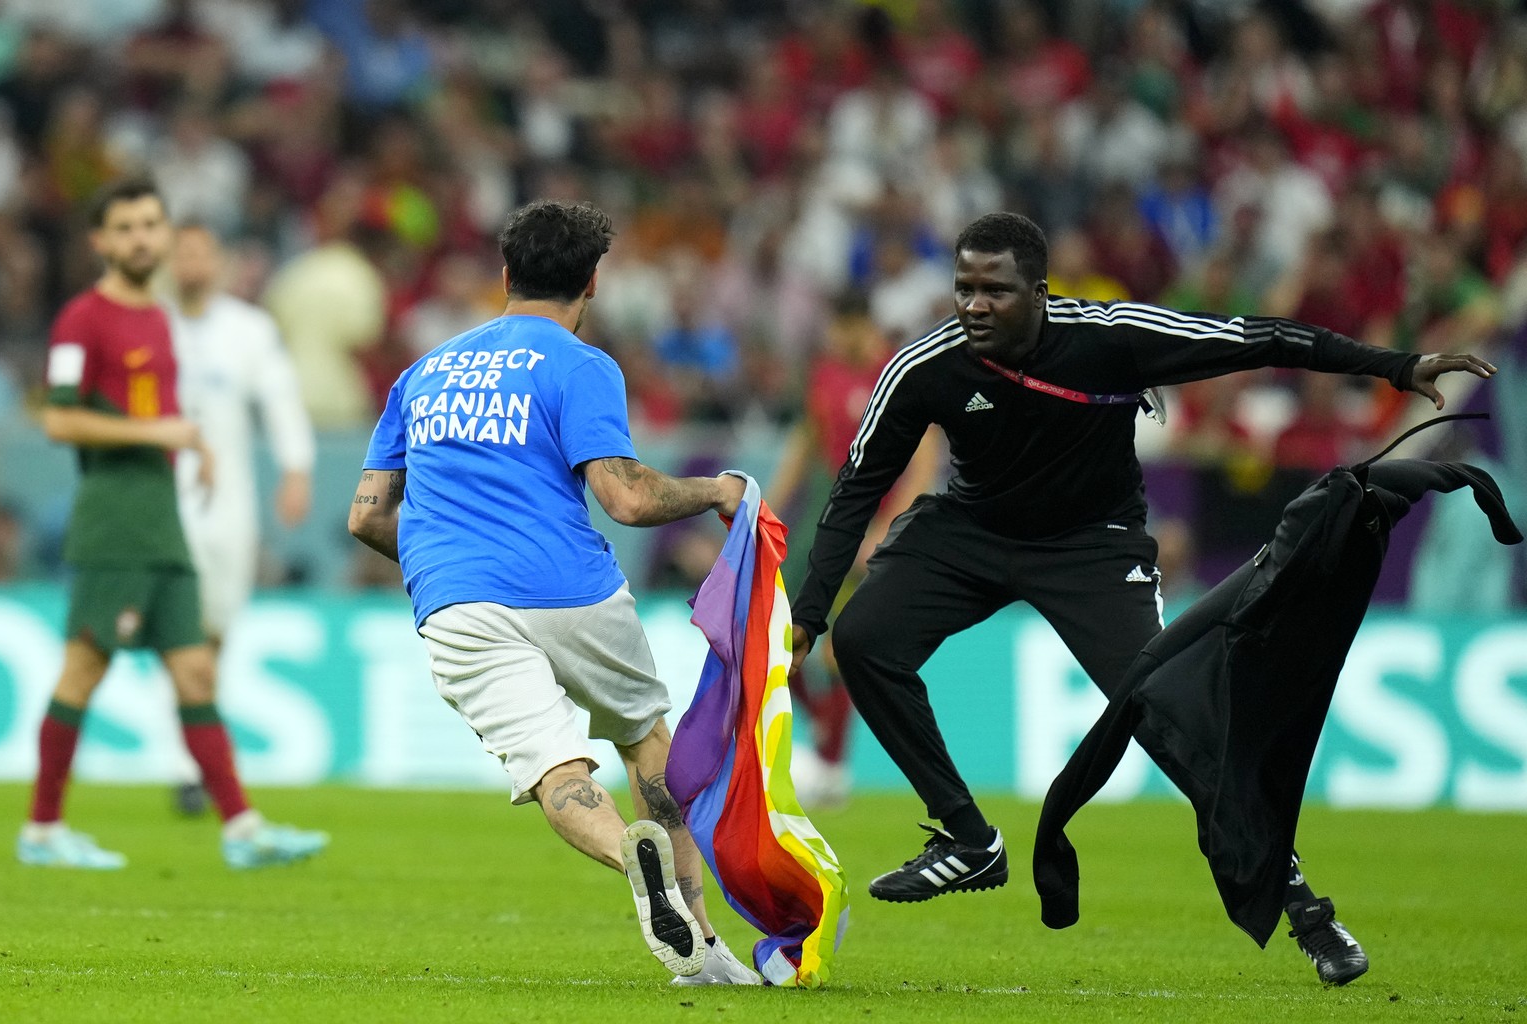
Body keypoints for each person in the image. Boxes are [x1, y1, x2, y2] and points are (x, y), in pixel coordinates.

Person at [787, 211, 1497, 985]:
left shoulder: (1112, 338)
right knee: (863, 641)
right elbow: (855, 489)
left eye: (995, 289)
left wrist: (1395, 366)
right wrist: (808, 616)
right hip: (971, 532)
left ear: (1040, 293)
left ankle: (1305, 910)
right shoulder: (926, 366)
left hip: (1094, 548)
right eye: (964, 287)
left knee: (1175, 721)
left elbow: (1256, 337)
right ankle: (966, 839)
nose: (975, 304)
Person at [347, 199, 760, 986]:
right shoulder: (582, 366)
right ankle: (704, 949)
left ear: (505, 275)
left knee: (557, 771)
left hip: (458, 601)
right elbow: (628, 499)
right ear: (593, 284)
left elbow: (366, 516)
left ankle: (624, 856)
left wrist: (447, 551)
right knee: (644, 743)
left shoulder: (422, 373)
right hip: (573, 587)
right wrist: (714, 490)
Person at [17, 177, 328, 871]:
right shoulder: (84, 319)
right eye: (125, 227)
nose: (141, 239)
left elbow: (160, 416)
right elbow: (58, 417)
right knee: (82, 671)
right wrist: (159, 431)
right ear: (100, 242)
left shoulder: (158, 320)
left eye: (150, 225)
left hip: (166, 521)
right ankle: (41, 828)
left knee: (194, 673)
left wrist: (192, 446)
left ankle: (242, 828)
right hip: (118, 523)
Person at [766, 292, 940, 809]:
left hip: (879, 535)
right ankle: (824, 729)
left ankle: (833, 766)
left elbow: (923, 460)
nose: (837, 339)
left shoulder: (898, 374)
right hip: (829, 529)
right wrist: (763, 513)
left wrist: (888, 528)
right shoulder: (824, 376)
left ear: (864, 324)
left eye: (845, 327)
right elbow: (805, 449)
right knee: (779, 637)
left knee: (845, 645)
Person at [167, 220, 317, 816]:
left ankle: (194, 753)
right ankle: (186, 765)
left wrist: (296, 468)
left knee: (216, 632)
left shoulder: (248, 330)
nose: (192, 265)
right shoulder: (153, 325)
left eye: (201, 254)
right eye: (182, 255)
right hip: (164, 500)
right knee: (179, 630)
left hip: (229, 506)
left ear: (220, 262)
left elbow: (279, 399)